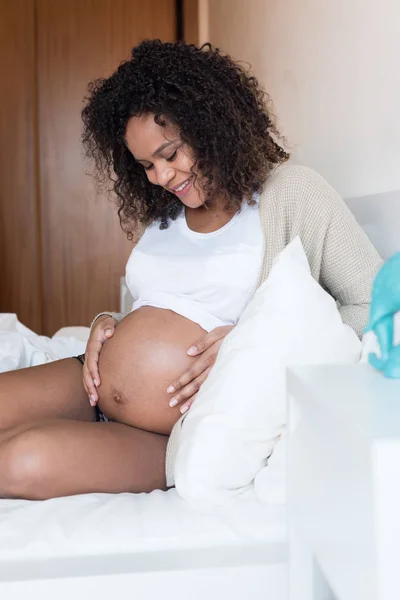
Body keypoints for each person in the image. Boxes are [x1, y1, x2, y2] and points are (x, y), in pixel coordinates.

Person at [0, 40, 382, 500]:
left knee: (16, 463)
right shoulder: (167, 211)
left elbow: (374, 307)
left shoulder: (292, 194)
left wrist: (250, 342)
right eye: (146, 166)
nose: (161, 176)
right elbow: (162, 306)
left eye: (171, 154)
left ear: (211, 125)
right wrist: (110, 323)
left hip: (166, 432)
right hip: (91, 381)